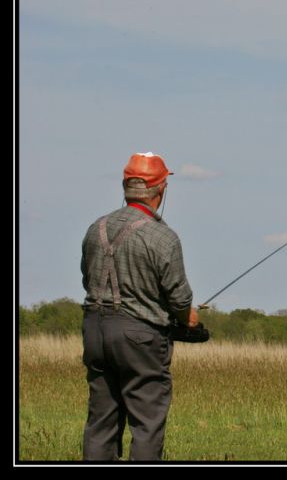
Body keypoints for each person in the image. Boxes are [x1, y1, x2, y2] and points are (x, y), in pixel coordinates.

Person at [80, 152, 198, 461]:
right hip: (141, 338)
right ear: (161, 188)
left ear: (125, 186)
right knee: (146, 424)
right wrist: (189, 319)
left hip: (95, 331)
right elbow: (180, 299)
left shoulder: (96, 228)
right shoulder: (163, 236)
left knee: (100, 423)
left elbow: (87, 279)